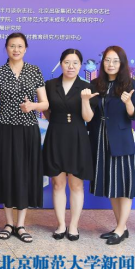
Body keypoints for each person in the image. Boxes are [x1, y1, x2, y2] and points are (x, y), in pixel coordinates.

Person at [0, 32, 48, 244]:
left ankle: (21, 224)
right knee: (6, 173)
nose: (16, 49)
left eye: (20, 46)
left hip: (28, 131)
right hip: (4, 131)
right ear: (6, 48)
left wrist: (32, 106)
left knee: (24, 174)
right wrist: (4, 118)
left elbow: (45, 103)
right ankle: (8, 223)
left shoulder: (34, 71)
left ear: (25, 49)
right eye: (12, 46)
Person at [42, 49, 96, 241]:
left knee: (76, 184)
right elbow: (46, 110)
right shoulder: (50, 85)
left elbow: (88, 118)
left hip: (77, 136)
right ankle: (61, 225)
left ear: (80, 65)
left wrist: (85, 100)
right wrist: (57, 121)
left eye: (75, 63)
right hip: (55, 134)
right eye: (66, 62)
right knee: (57, 184)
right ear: (61, 63)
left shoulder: (87, 86)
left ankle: (73, 225)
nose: (71, 66)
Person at [88, 46, 135, 245]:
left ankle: (120, 228)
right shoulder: (95, 84)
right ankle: (121, 227)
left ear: (122, 63)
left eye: (115, 60)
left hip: (121, 140)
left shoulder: (129, 84)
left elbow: (133, 115)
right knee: (112, 183)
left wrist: (128, 103)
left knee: (124, 185)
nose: (111, 64)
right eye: (107, 60)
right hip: (99, 139)